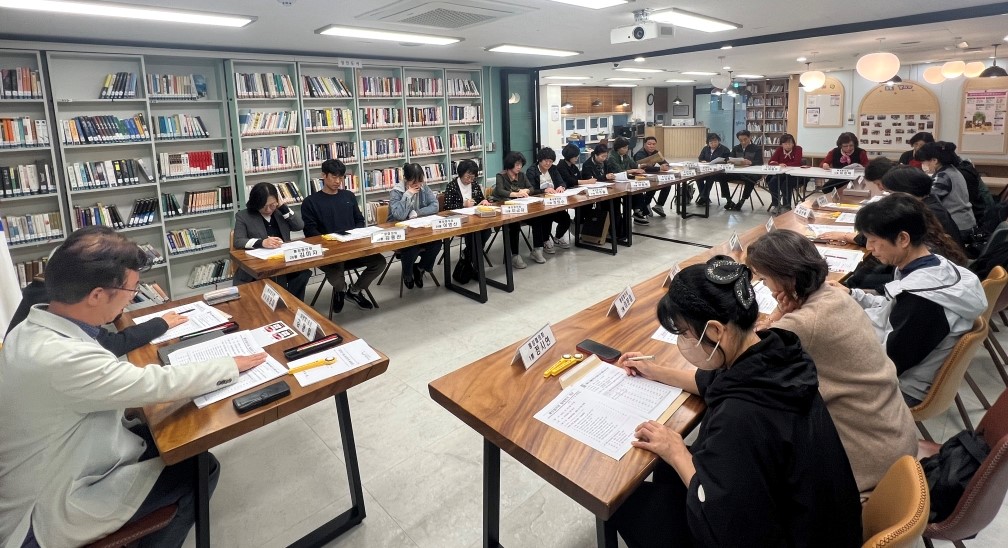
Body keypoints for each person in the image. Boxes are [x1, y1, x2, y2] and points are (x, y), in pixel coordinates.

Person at [0, 226, 268, 548]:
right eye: (131, 290)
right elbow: (155, 383)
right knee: (199, 470)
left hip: (57, 462)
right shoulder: (61, 358)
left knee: (167, 434)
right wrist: (229, 365)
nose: (131, 300)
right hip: (47, 510)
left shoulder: (31, 327)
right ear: (97, 295)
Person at [610, 256, 862, 547]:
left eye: (685, 333)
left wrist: (677, 451)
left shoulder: (740, 415)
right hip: (810, 513)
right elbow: (708, 382)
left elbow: (727, 520)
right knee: (667, 467)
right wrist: (652, 371)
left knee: (629, 504)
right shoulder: (772, 351)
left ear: (715, 331)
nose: (683, 343)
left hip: (783, 534)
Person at [746, 230, 918, 496]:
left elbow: (743, 363)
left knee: (752, 439)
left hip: (866, 462)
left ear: (787, 278)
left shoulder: (803, 323)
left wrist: (777, 315)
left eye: (764, 279)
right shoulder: (835, 296)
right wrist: (781, 312)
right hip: (894, 435)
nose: (766, 287)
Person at [840, 193, 986, 406]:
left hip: (901, 388)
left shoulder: (922, 301)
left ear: (903, 239)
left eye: (874, 240)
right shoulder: (936, 266)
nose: (869, 247)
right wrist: (852, 295)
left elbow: (886, 365)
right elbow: (891, 306)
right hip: (899, 364)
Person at [5, 268, 187, 354]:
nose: (131, 297)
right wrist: (160, 323)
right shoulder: (59, 305)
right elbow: (110, 344)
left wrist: (113, 308)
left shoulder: (47, 287)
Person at [301, 159, 385, 311]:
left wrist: (356, 235)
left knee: (379, 262)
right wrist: (330, 242)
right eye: (334, 177)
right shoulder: (310, 202)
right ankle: (341, 290)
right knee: (335, 273)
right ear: (323, 176)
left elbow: (359, 220)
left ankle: (354, 291)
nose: (338, 181)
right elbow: (310, 231)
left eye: (341, 177)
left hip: (353, 247)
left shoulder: (348, 196)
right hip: (329, 252)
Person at [232, 181, 311, 301]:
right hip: (259, 266)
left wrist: (283, 207)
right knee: (275, 278)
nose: (269, 209)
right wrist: (262, 242)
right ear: (256, 203)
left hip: (283, 262)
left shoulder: (279, 212)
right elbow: (238, 241)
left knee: (303, 273)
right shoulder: (243, 216)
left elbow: (299, 226)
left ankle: (291, 304)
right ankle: (283, 305)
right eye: (264, 206)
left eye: (272, 205)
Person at [880, 165, 967, 254]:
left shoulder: (926, 213)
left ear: (906, 190)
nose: (890, 197)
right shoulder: (929, 201)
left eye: (891, 192)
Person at [493, 151, 554, 268]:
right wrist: (516, 194)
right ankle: (515, 255)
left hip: (521, 207)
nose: (519, 167)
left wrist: (526, 191)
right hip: (505, 208)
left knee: (537, 218)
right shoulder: (501, 176)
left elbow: (531, 188)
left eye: (521, 164)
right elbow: (500, 191)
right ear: (510, 164)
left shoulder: (521, 175)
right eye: (517, 164)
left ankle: (537, 250)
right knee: (514, 224)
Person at [387, 162, 443, 289]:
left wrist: (417, 213)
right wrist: (407, 195)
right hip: (400, 231)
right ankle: (407, 274)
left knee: (436, 243)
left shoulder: (424, 187)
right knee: (411, 247)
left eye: (420, 181)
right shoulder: (396, 192)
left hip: (419, 228)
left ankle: (419, 268)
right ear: (406, 179)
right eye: (414, 182)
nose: (418, 185)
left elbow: (435, 206)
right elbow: (399, 216)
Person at [915, 141, 976, 241]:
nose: (923, 165)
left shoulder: (943, 176)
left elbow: (928, 198)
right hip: (964, 222)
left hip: (957, 226)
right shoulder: (951, 170)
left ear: (934, 160)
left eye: (923, 162)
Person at [443, 159, 491, 283]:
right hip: (460, 220)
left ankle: (468, 254)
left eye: (472, 177)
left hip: (475, 217)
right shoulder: (452, 186)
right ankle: (475, 264)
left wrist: (484, 201)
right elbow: (447, 207)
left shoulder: (474, 185)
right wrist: (463, 204)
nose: (470, 180)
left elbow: (480, 199)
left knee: (487, 231)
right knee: (473, 234)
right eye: (467, 177)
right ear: (461, 174)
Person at [524, 147, 573, 252]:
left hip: (552, 202)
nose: (548, 163)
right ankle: (545, 240)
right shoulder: (532, 171)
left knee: (566, 218)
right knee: (547, 216)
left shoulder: (553, 169)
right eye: (546, 161)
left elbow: (562, 182)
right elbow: (531, 190)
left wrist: (561, 187)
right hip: (538, 205)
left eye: (551, 161)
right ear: (540, 159)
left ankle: (558, 237)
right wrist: (544, 190)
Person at [711, 129, 763, 211]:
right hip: (738, 172)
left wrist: (750, 162)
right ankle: (729, 200)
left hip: (751, 173)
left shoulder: (757, 149)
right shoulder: (736, 148)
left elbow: (760, 162)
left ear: (750, 137)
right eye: (741, 140)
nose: (743, 142)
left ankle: (742, 201)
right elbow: (730, 159)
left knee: (751, 179)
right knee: (721, 176)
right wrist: (730, 161)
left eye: (745, 139)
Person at [606, 137, 649, 224]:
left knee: (637, 190)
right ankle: (637, 212)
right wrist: (632, 170)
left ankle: (638, 212)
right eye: (624, 148)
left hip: (625, 180)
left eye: (627, 147)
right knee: (631, 192)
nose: (626, 150)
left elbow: (634, 165)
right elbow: (619, 171)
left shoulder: (625, 155)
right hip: (615, 182)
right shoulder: (611, 157)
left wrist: (642, 166)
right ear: (618, 148)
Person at [633, 136, 672, 217]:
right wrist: (659, 168)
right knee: (654, 183)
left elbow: (665, 163)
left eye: (654, 144)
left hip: (651, 176)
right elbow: (644, 168)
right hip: (639, 177)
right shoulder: (640, 154)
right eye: (649, 144)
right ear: (644, 144)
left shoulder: (655, 153)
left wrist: (665, 165)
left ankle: (659, 205)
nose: (652, 146)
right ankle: (646, 203)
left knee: (668, 183)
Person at [766, 133, 803, 215]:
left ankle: (787, 206)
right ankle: (776, 205)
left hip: (794, 175)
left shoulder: (798, 149)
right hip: (781, 174)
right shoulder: (779, 150)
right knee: (772, 182)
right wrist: (778, 164)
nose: (788, 145)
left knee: (785, 184)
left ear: (793, 143)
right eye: (785, 144)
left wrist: (785, 164)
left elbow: (797, 163)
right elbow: (770, 162)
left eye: (790, 143)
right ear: (781, 144)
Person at [695, 132, 730, 206]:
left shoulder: (724, 149)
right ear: (708, 143)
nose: (713, 144)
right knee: (698, 177)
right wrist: (703, 161)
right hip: (706, 170)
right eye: (711, 142)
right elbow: (700, 158)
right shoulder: (705, 149)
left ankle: (703, 197)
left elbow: (727, 160)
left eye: (715, 142)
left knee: (711, 176)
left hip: (719, 173)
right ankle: (705, 198)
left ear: (718, 141)